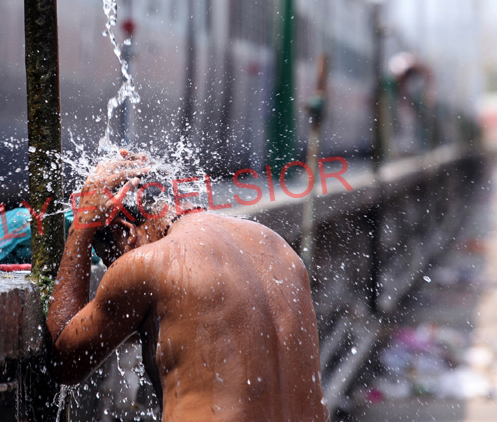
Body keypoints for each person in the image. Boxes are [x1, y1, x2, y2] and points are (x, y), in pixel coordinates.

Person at [47, 150, 329, 421]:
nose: (113, 270)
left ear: (125, 232)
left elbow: (64, 361)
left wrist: (82, 227)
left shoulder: (148, 264)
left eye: (109, 260)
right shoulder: (275, 245)